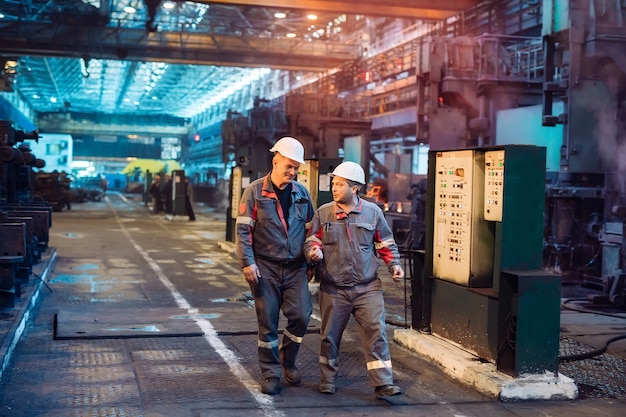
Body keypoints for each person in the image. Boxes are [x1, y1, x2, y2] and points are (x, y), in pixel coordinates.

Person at [304, 161, 404, 398]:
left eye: (339, 184)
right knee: (329, 336)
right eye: (333, 184)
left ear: (355, 188)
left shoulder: (373, 212)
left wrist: (395, 264)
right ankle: (327, 379)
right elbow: (312, 239)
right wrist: (313, 251)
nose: (334, 188)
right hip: (333, 288)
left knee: (375, 332)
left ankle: (382, 383)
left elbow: (385, 243)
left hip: (367, 287)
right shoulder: (323, 213)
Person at [235, 136, 315, 395]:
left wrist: (313, 253)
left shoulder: (302, 194)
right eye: (288, 166)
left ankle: (288, 360)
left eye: (296, 168)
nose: (292, 172)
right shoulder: (255, 192)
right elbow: (243, 232)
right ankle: (271, 373)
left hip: (295, 268)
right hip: (265, 268)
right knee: (267, 322)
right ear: (275, 161)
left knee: (302, 316)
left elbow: (311, 230)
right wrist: (247, 262)